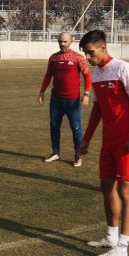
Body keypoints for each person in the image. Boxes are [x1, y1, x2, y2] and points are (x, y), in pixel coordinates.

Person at [77, 30, 129, 256]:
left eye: (90, 52)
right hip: (109, 141)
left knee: (127, 192)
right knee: (106, 186)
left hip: (128, 142)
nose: (88, 57)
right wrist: (86, 139)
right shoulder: (96, 74)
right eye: (85, 53)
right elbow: (98, 109)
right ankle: (111, 236)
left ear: (103, 47)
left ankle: (122, 248)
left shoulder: (124, 69)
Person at [38, 31, 91, 166]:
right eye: (60, 41)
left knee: (76, 128)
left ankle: (78, 156)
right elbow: (48, 75)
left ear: (71, 42)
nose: (62, 44)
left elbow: (87, 76)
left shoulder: (78, 58)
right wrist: (42, 92)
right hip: (56, 100)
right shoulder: (53, 58)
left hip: (73, 100)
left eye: (65, 41)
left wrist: (86, 94)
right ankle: (55, 153)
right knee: (54, 126)